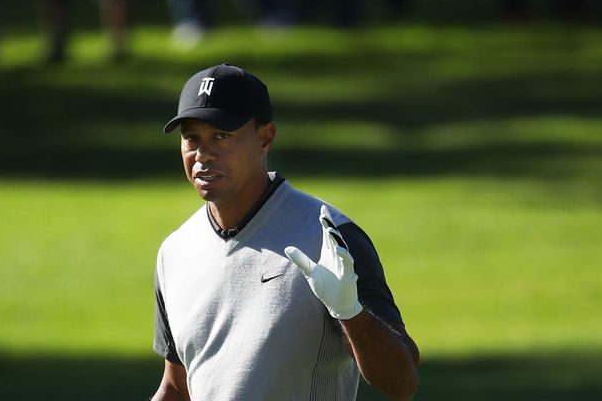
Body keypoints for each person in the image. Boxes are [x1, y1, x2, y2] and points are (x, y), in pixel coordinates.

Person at [152, 64, 420, 400]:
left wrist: (351, 313)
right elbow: (177, 387)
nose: (203, 154)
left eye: (222, 136)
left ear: (265, 138)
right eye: (192, 137)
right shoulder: (175, 252)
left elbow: (402, 383)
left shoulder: (330, 236)